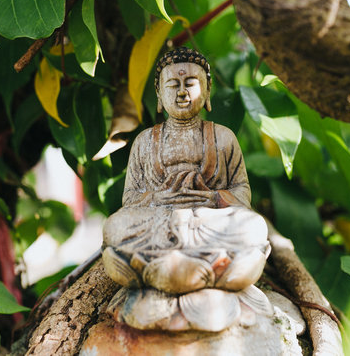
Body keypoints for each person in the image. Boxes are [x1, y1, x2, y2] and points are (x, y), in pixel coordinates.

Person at [102, 48, 269, 295]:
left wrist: (212, 198)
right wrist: (158, 199)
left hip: (209, 223)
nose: (182, 92)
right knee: (114, 227)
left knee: (254, 226)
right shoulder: (144, 141)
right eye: (173, 85)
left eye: (190, 83)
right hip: (158, 223)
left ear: (207, 91)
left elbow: (242, 190)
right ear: (159, 94)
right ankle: (215, 267)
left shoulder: (224, 138)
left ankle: (156, 268)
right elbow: (130, 198)